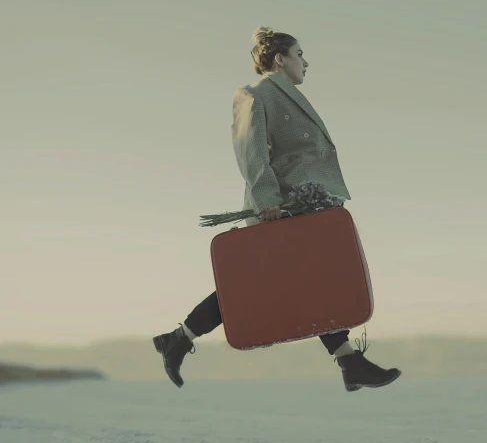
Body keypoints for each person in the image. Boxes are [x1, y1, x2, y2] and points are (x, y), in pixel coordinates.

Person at [152, 26, 401, 392]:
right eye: (300, 54)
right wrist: (267, 200)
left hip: (307, 203)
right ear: (280, 58)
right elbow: (250, 148)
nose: (306, 62)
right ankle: (350, 363)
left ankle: (179, 338)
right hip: (283, 205)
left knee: (290, 282)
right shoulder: (254, 94)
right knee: (266, 284)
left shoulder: (283, 96)